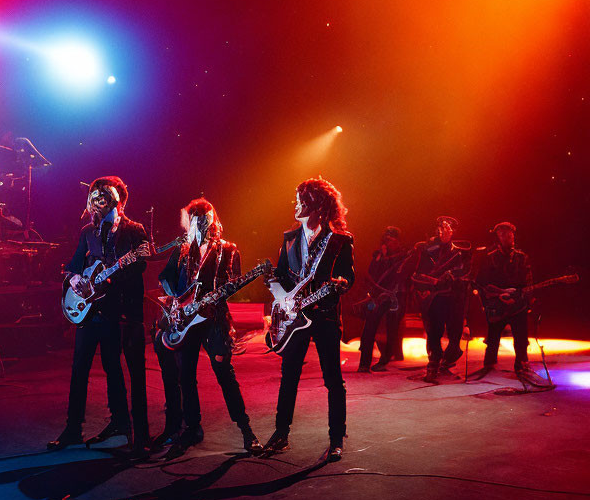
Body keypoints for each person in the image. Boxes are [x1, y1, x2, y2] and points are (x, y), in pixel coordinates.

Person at [48, 177, 151, 453]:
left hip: (120, 314)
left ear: (119, 201)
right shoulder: (87, 233)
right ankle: (73, 429)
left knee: (119, 370)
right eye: (95, 198)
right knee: (79, 369)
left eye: (104, 198)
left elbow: (142, 263)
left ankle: (135, 433)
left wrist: (111, 278)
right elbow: (71, 267)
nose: (97, 203)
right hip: (90, 312)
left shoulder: (134, 230)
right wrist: (75, 282)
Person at [154, 198, 262, 457]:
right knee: (185, 376)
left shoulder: (228, 249)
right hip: (185, 319)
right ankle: (192, 428)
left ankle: (246, 429)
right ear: (189, 220)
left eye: (206, 214)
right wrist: (176, 302)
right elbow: (165, 277)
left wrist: (219, 294)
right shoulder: (182, 249)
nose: (201, 218)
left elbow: (233, 283)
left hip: (214, 319)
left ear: (214, 218)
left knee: (225, 373)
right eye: (196, 215)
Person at [263, 178, 354, 462]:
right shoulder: (289, 238)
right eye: (297, 199)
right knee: (289, 376)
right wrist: (282, 298)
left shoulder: (339, 240)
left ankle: (336, 439)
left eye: (303, 200)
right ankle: (280, 434)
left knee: (333, 380)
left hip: (324, 316)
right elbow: (277, 275)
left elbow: (349, 277)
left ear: (318, 208)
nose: (297, 205)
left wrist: (341, 284)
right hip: (294, 319)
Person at [472, 222, 548, 386]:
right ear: (498, 237)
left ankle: (522, 364)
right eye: (503, 234)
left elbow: (528, 282)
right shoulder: (488, 256)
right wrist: (498, 295)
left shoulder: (522, 257)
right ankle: (489, 365)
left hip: (517, 304)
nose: (508, 236)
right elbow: (481, 282)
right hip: (496, 304)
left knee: (521, 338)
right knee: (493, 337)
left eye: (510, 234)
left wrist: (525, 299)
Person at [406, 216, 471, 383]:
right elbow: (419, 272)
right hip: (436, 298)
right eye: (441, 228)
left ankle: (447, 361)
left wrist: (452, 277)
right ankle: (433, 366)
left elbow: (465, 272)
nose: (444, 231)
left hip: (454, 299)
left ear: (453, 231)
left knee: (455, 335)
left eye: (448, 228)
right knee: (434, 333)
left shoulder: (461, 251)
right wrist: (429, 283)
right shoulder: (428, 250)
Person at [357, 226, 410, 372]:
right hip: (379, 297)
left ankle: (385, 359)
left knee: (392, 330)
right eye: (386, 240)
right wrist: (380, 258)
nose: (388, 243)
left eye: (392, 240)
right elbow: (372, 274)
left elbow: (401, 277)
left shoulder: (404, 256)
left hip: (396, 297)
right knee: (369, 327)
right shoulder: (378, 256)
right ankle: (364, 363)